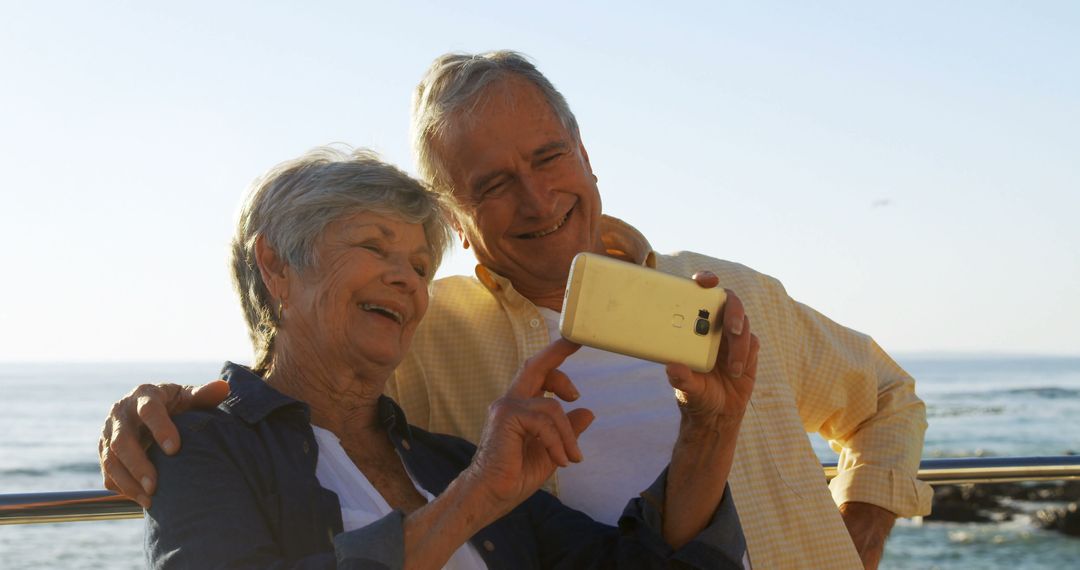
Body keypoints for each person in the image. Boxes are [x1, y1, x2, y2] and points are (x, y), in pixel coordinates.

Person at [100, 52, 932, 569]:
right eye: (492, 185)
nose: (536, 197)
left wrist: (856, 537)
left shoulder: (729, 296)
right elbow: (298, 378)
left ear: (585, 154)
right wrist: (155, 413)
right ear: (460, 221)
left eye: (548, 157)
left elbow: (888, 399)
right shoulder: (431, 333)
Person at [143, 146, 754, 568]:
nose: (408, 282)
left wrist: (710, 425)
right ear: (276, 265)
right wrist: (472, 503)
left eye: (419, 266)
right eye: (374, 247)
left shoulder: (454, 463)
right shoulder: (200, 447)